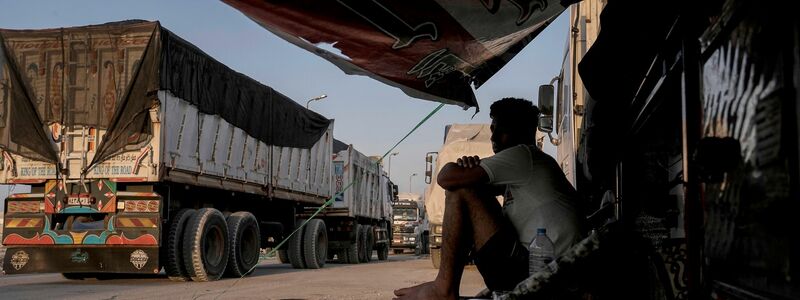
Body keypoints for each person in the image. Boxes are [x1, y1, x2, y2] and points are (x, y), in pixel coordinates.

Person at [394, 97, 584, 300]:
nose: (493, 136)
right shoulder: (527, 166)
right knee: (468, 186)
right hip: (543, 267)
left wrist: (458, 169)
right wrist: (467, 168)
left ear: (516, 132)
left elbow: (447, 179)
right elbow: (477, 195)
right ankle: (443, 287)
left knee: (461, 189)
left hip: (541, 273)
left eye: (498, 130)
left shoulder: (521, 155)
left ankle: (443, 288)